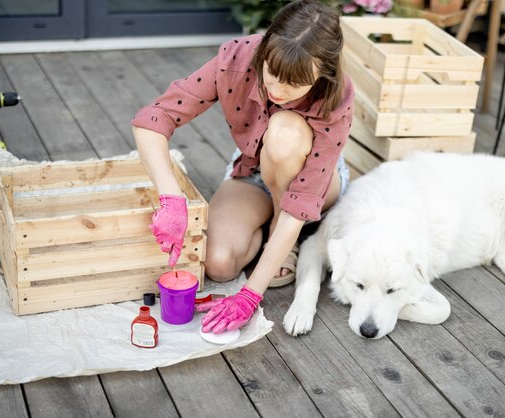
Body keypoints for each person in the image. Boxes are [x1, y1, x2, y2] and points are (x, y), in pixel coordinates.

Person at [132, 0, 354, 334]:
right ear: (263, 48)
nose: (278, 90)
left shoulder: (336, 95)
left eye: (294, 85)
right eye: (272, 74)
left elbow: (300, 203)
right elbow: (152, 119)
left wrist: (250, 295)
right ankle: (267, 232)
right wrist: (171, 199)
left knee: (284, 130)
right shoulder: (236, 57)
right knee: (220, 265)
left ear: (323, 74)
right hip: (252, 169)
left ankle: (285, 242)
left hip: (312, 184)